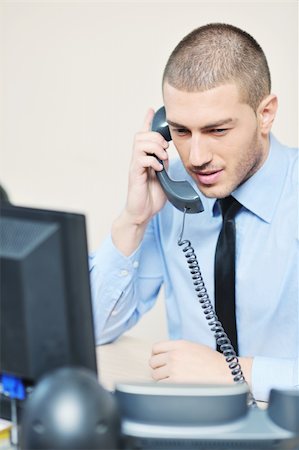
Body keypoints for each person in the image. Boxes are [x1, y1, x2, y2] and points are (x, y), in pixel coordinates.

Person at [89, 23, 298, 402]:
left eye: (217, 130)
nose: (196, 157)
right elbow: (94, 330)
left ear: (265, 114)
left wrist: (233, 371)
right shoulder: (172, 194)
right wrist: (133, 220)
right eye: (181, 132)